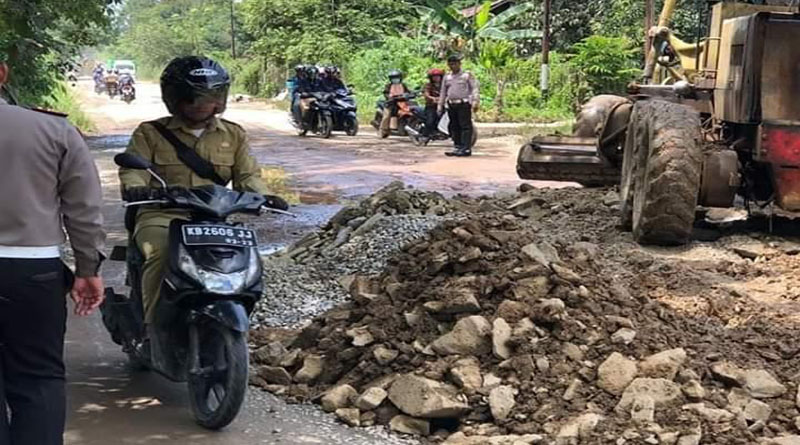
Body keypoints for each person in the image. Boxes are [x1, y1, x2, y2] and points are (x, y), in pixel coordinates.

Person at [118, 56, 287, 326]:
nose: (202, 104)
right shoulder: (150, 133)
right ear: (175, 98)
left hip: (215, 218)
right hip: (163, 215)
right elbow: (133, 169)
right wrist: (136, 188)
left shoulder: (234, 134)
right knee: (161, 254)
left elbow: (247, 175)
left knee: (245, 261)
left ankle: (238, 318)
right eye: (193, 97)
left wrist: (264, 196)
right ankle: (151, 328)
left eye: (210, 96)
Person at [0, 57, 106, 445]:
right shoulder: (54, 129)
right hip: (34, 273)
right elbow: (84, 209)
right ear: (2, 73)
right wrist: (87, 268)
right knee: (38, 378)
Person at [438, 54, 479, 157]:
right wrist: (440, 105)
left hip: (463, 103)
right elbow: (443, 92)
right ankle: (457, 147)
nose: (453, 66)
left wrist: (475, 101)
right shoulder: (447, 77)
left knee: (465, 126)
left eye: (455, 64)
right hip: (452, 104)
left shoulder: (466, 75)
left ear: (459, 64)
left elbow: (474, 88)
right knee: (454, 126)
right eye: (450, 64)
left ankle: (466, 148)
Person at [379, 70, 410, 138]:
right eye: (393, 78)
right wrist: (389, 97)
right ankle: (383, 131)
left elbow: (408, 92)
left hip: (402, 103)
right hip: (391, 103)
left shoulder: (403, 85)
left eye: (397, 77)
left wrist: (410, 94)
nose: (395, 79)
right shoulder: (388, 86)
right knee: (386, 116)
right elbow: (386, 93)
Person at [422, 68, 445, 139]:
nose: (436, 78)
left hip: (442, 105)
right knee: (430, 120)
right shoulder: (428, 85)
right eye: (434, 76)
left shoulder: (444, 86)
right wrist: (433, 99)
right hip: (431, 106)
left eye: (438, 76)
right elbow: (426, 94)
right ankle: (425, 135)